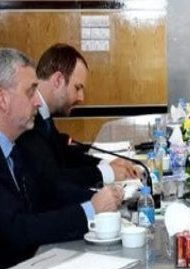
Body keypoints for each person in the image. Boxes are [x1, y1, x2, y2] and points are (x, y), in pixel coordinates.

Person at [0, 48, 123, 269]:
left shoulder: (7, 144)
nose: (37, 101)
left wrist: (103, 200)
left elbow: (46, 193)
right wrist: (90, 210)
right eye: (30, 91)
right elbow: (20, 230)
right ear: (2, 98)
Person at [18, 43, 138, 189]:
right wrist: (106, 173)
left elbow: (64, 154)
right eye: (77, 88)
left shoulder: (44, 116)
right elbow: (51, 179)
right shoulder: (27, 118)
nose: (81, 98)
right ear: (58, 80)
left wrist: (106, 164)